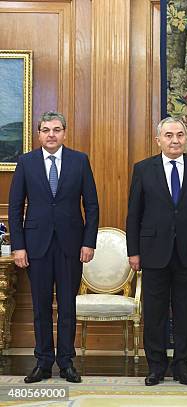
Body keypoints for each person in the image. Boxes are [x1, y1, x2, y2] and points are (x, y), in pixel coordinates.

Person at [9, 111, 99, 384]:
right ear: (39, 134)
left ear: (64, 132)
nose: (51, 134)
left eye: (56, 129)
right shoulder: (25, 162)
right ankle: (43, 362)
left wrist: (88, 242)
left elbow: (92, 206)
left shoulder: (79, 161)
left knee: (67, 307)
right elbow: (15, 208)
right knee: (41, 307)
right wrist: (18, 247)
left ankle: (66, 362)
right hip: (36, 246)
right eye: (46, 130)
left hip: (72, 245)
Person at [126, 117, 187, 386]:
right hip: (153, 251)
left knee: (185, 311)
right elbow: (134, 214)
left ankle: (182, 365)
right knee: (154, 312)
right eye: (169, 135)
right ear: (158, 140)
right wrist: (134, 251)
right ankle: (155, 366)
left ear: (186, 139)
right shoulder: (143, 169)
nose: (174, 140)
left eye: (179, 135)